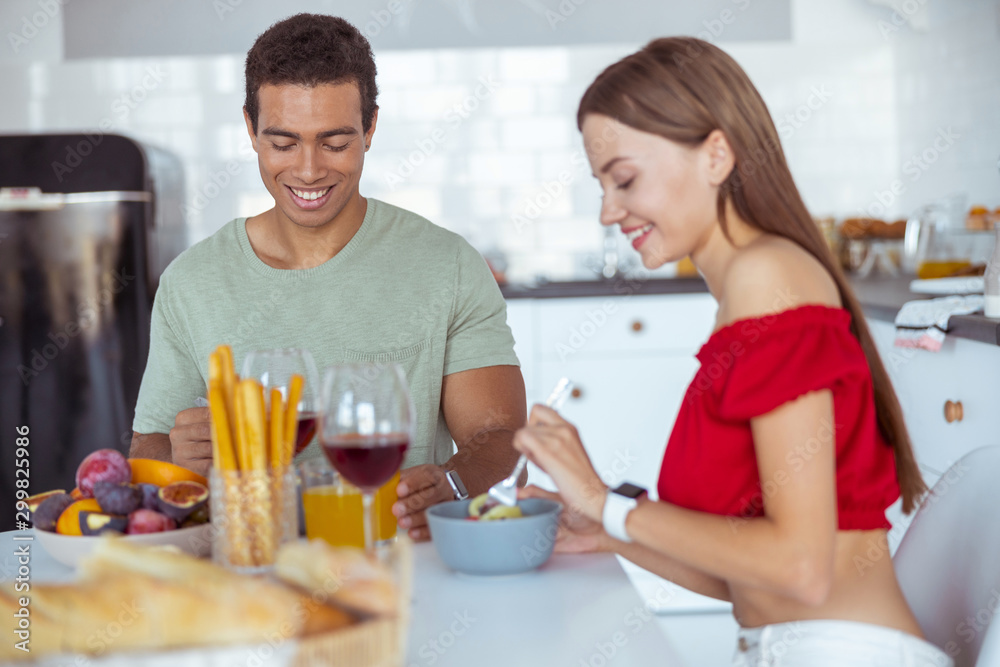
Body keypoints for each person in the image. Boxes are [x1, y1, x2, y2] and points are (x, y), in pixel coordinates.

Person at [514, 38, 952, 666]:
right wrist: (606, 528)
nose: (608, 211)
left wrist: (604, 502)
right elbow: (753, 579)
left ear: (716, 154)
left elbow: (800, 569)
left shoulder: (765, 279)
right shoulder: (749, 285)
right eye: (601, 186)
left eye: (625, 180)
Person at [130, 14, 526, 542]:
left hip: (403, 570)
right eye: (283, 143)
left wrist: (452, 483)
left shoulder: (447, 266)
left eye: (335, 143)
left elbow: (500, 437)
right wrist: (179, 458)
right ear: (250, 129)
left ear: (371, 127)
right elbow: (147, 450)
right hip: (250, 572)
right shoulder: (191, 282)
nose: (310, 170)